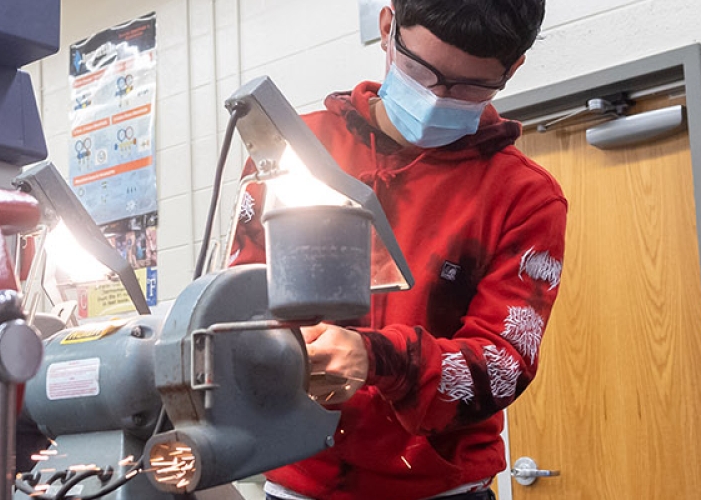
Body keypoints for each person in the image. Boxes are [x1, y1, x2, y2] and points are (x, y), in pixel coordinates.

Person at [225, 1, 559, 499]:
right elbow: (236, 303)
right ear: (388, 29)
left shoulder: (523, 196)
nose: (436, 97)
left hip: (441, 490)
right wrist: (286, 350)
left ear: (512, 69)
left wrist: (379, 358)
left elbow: (504, 364)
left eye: (470, 86)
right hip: (300, 480)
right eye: (421, 71)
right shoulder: (297, 152)